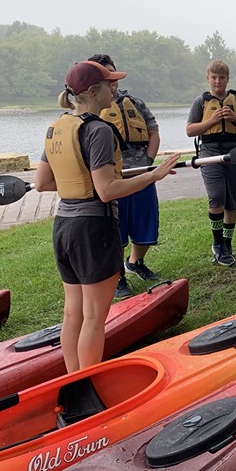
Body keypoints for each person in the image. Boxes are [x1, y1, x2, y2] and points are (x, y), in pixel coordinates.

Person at [34, 61, 180, 372]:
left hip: (64, 227)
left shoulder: (57, 126)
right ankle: (86, 385)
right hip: (94, 229)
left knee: (73, 313)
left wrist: (83, 180)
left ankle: (74, 383)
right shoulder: (98, 130)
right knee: (94, 317)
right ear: (93, 91)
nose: (114, 87)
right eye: (109, 83)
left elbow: (42, 183)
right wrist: (153, 176)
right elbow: (107, 189)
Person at [88, 53, 161, 300]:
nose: (112, 82)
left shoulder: (136, 103)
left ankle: (135, 262)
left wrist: (148, 163)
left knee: (146, 228)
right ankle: (117, 275)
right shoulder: (91, 111)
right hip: (114, 180)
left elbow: (153, 132)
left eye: (113, 76)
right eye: (105, 77)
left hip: (141, 176)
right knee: (115, 233)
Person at [186, 60, 236, 266]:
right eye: (214, 77)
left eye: (221, 77)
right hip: (209, 153)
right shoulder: (201, 102)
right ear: (208, 79)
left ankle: (227, 244)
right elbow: (190, 130)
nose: (218, 81)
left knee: (231, 202)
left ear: (227, 79)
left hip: (234, 153)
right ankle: (217, 245)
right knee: (216, 198)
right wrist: (211, 121)